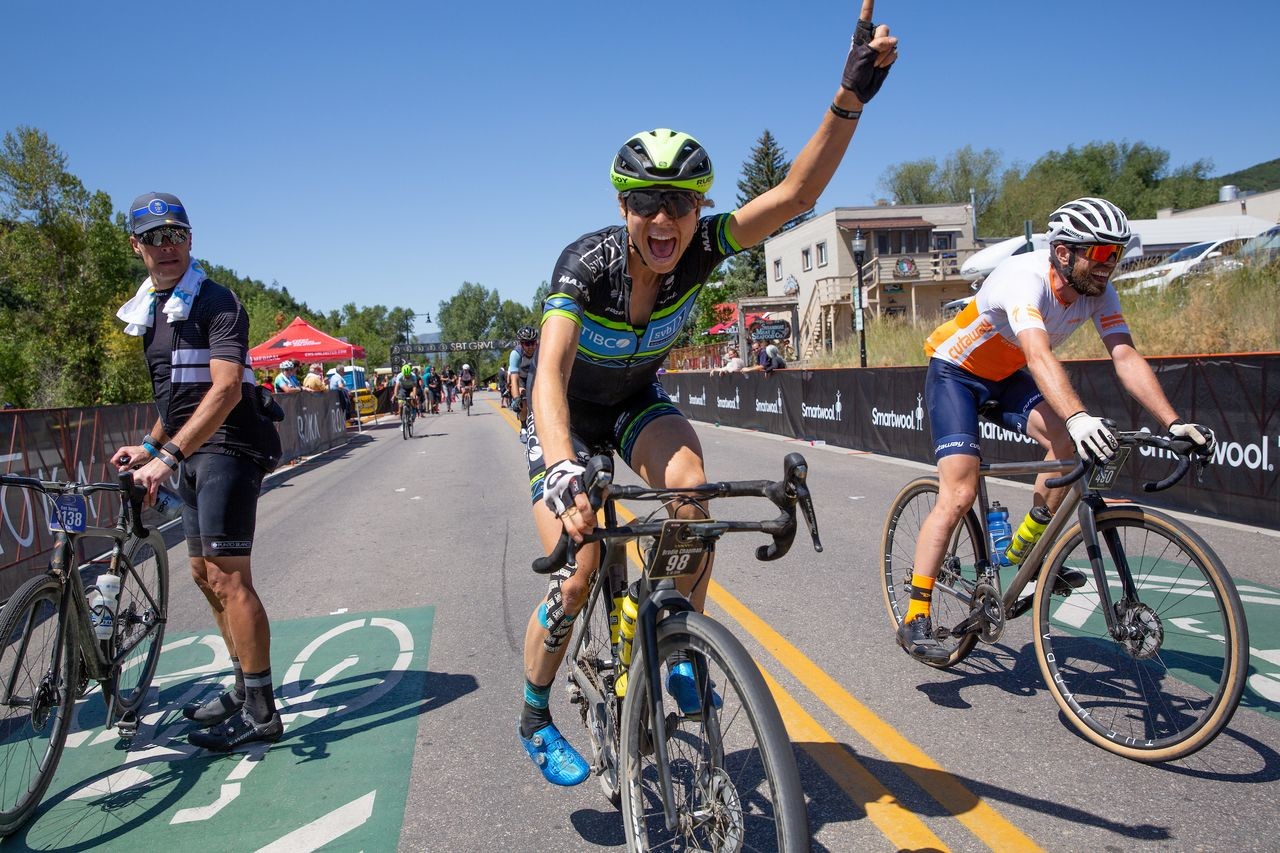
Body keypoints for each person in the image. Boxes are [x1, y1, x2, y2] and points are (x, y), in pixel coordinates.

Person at [516, 14, 899, 786]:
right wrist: (561, 467)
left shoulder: (704, 247)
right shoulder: (584, 266)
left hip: (631, 403)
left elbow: (796, 193)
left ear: (698, 208)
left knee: (692, 492)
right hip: (567, 421)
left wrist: (849, 95)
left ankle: (664, 627)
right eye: (647, 202)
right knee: (581, 564)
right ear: (624, 205)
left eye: (682, 203)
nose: (665, 220)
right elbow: (549, 377)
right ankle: (533, 711)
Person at [897, 197, 1218, 663]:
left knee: (1066, 445)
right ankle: (916, 615)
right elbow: (1039, 354)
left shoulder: (1098, 291)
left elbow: (1124, 356)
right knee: (960, 492)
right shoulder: (1023, 278)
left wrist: (1174, 421)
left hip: (1005, 376)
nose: (1111, 265)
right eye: (1103, 254)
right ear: (1064, 252)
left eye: (1119, 254)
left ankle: (1025, 555)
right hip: (956, 373)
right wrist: (1078, 413)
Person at [110, 191, 283, 750]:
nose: (167, 247)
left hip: (231, 442)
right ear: (137, 246)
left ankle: (261, 712)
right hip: (190, 446)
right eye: (154, 238)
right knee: (201, 577)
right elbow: (176, 405)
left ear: (190, 239)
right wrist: (146, 446)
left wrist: (169, 457)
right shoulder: (153, 313)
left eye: (175, 235)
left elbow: (226, 389)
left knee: (230, 578)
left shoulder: (216, 301)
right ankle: (242, 683)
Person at [507, 325, 537, 444]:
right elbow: (514, 379)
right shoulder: (516, 354)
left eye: (533, 343)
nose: (530, 347)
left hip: (535, 375)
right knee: (522, 401)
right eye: (527, 344)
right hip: (521, 378)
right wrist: (516, 399)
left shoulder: (540, 349)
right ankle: (524, 427)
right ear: (521, 344)